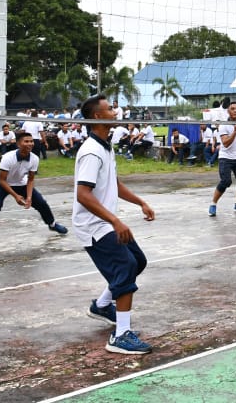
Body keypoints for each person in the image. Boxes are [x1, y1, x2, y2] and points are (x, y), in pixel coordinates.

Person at [73, 94, 156, 354]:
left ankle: (101, 305)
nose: (115, 111)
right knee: (125, 266)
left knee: (137, 261)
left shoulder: (106, 146)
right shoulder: (91, 151)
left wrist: (140, 202)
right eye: (110, 109)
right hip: (93, 225)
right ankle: (120, 335)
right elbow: (83, 194)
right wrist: (115, 220)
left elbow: (113, 184)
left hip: (105, 222)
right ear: (97, 116)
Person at [0, 130, 68, 247]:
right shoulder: (8, 157)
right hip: (2, 184)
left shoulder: (34, 158)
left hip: (21, 184)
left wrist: (29, 197)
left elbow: (31, 179)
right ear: (18, 144)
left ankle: (52, 224)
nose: (30, 144)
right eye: (26, 141)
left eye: (31, 141)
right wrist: (16, 196)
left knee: (41, 203)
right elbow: (2, 180)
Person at [209, 101, 236, 216]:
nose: (235, 110)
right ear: (228, 111)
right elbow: (225, 143)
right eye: (232, 108)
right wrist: (235, 132)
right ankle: (213, 204)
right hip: (225, 157)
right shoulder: (223, 125)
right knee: (226, 181)